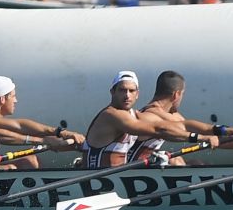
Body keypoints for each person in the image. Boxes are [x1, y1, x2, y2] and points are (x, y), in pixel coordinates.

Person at [80, 71, 216, 169]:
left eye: (131, 91)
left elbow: (181, 126)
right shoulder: (112, 115)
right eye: (122, 90)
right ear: (112, 92)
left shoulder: (136, 115)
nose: (127, 95)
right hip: (97, 180)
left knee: (186, 162)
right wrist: (200, 138)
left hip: (118, 178)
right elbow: (159, 130)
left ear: (137, 94)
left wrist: (225, 132)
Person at [134, 70, 233, 166]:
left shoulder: (170, 115)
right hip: (132, 171)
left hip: (144, 169)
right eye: (182, 94)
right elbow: (200, 135)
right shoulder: (149, 116)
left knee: (189, 162)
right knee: (176, 161)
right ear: (177, 94)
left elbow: (208, 133)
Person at [0, 75, 85, 170]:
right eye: (13, 96)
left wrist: (77, 145)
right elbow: (21, 128)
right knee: (12, 167)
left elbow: (28, 131)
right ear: (2, 99)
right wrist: (53, 138)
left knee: (31, 161)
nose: (16, 100)